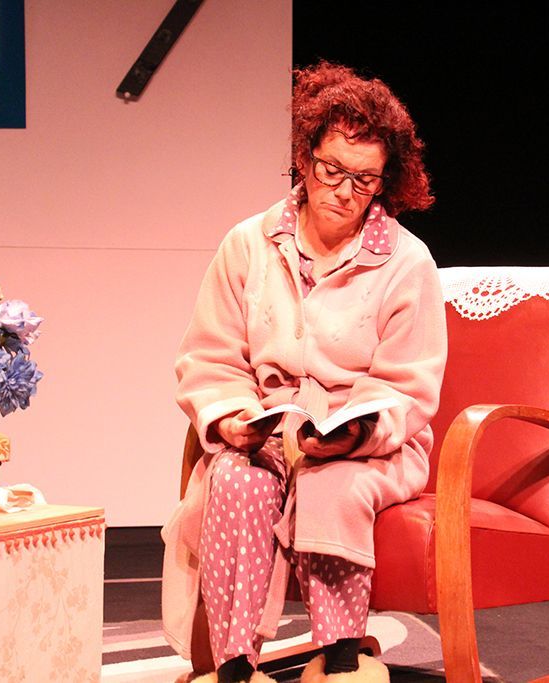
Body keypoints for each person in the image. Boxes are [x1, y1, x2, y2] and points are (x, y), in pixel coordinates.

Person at [161, 61, 447, 683]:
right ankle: (235, 666)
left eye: (364, 179)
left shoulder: (407, 262)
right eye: (331, 169)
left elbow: (408, 384)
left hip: (371, 445)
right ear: (305, 156)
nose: (343, 190)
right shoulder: (249, 243)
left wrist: (354, 432)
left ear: (386, 182)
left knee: (332, 484)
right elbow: (211, 356)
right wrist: (232, 419)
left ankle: (340, 655)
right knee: (235, 479)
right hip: (268, 430)